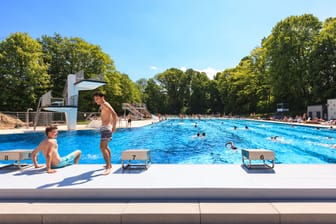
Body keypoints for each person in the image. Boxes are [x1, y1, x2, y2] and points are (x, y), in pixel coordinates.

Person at [93, 91, 118, 175]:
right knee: (106, 147)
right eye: (95, 99)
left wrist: (114, 126)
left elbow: (114, 114)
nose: (96, 101)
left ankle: (108, 167)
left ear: (102, 97)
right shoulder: (102, 105)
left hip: (107, 128)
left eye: (97, 99)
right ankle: (109, 165)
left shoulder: (106, 104)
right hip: (104, 128)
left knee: (102, 148)